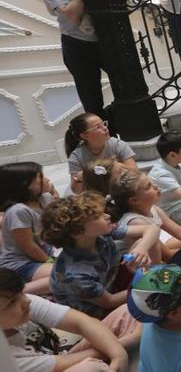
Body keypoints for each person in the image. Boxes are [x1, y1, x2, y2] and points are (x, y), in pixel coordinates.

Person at [1, 267, 137, 372]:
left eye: (21, 293)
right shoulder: (5, 362)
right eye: (12, 303)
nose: (26, 301)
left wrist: (117, 353)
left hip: (58, 359)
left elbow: (81, 322)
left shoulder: (23, 303)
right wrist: (124, 344)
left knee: (128, 313)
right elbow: (63, 365)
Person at [42, 192, 158, 319]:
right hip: (97, 312)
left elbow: (152, 229)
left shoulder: (101, 233)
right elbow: (109, 302)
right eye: (97, 217)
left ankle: (156, 274)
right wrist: (149, 287)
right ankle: (156, 281)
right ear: (77, 232)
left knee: (146, 242)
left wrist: (143, 248)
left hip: (112, 281)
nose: (107, 216)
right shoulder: (75, 274)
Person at [36, 0, 114, 118]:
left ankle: (125, 124)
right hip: (77, 44)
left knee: (126, 83)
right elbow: (71, 13)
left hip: (105, 37)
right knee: (91, 97)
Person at [111, 170, 181, 280]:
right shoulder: (137, 222)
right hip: (146, 272)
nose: (155, 186)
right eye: (148, 186)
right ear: (134, 200)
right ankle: (180, 280)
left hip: (158, 253)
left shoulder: (154, 209)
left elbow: (180, 232)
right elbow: (168, 256)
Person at [0, 162, 58, 295]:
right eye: (40, 177)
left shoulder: (45, 199)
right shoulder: (18, 211)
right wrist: (50, 261)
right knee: (68, 275)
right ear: (26, 185)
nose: (46, 179)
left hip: (43, 255)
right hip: (21, 262)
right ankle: (18, 292)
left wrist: (53, 192)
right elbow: (29, 247)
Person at [65, 112, 138, 194]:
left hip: (120, 190)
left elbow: (135, 172)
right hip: (95, 196)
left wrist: (115, 166)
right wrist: (80, 177)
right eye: (98, 127)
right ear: (84, 135)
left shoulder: (117, 144)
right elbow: (77, 191)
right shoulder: (76, 157)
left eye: (104, 124)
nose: (105, 128)